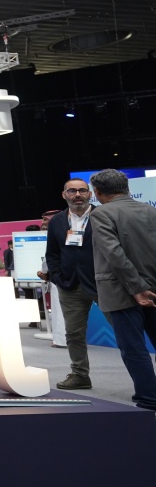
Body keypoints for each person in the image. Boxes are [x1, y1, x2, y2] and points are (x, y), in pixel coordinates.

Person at [88, 169, 156, 412]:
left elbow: (114, 254)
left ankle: (149, 398)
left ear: (97, 192)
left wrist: (137, 288)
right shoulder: (150, 210)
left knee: (133, 347)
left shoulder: (101, 213)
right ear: (126, 187)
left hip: (122, 291)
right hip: (153, 288)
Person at [38, 178, 97, 390]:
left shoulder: (102, 216)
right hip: (70, 285)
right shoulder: (57, 221)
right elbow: (52, 253)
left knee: (124, 330)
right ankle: (80, 375)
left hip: (103, 282)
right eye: (72, 191)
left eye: (82, 190)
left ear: (90, 194)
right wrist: (57, 276)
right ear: (64, 195)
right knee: (73, 333)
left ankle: (143, 380)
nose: (77, 195)